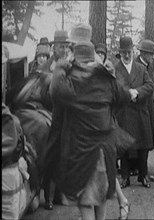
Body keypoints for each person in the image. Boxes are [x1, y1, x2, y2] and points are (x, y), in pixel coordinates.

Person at [49, 32, 133, 219]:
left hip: (82, 152)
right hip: (104, 150)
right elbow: (125, 96)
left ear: (75, 60)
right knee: (101, 195)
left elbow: (54, 90)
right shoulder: (106, 80)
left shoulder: (73, 82)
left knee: (86, 199)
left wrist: (63, 64)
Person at [95, 42, 131, 220]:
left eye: (102, 54)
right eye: (97, 53)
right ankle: (120, 202)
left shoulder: (108, 69)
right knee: (102, 168)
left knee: (107, 168)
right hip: (98, 125)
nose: (100, 56)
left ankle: (122, 202)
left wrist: (112, 76)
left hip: (107, 125)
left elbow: (119, 95)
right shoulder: (93, 69)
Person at [115, 36, 154, 189]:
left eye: (129, 51)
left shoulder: (141, 68)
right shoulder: (115, 69)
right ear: (119, 52)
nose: (126, 55)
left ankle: (143, 176)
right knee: (124, 147)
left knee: (143, 146)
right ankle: (125, 177)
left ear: (133, 51)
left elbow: (150, 86)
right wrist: (126, 93)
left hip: (140, 112)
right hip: (123, 113)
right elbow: (111, 88)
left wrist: (137, 92)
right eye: (123, 52)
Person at [40, 29, 70, 209]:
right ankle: (48, 197)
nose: (64, 50)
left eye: (66, 46)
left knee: (64, 155)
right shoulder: (47, 68)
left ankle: (59, 195)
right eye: (61, 46)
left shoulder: (68, 65)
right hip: (51, 117)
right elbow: (43, 94)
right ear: (54, 47)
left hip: (66, 116)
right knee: (51, 155)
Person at [134, 39, 154, 177]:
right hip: (140, 107)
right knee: (141, 137)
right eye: (151, 54)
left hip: (147, 106)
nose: (153, 57)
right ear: (144, 54)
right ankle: (138, 168)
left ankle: (140, 167)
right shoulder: (137, 66)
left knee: (145, 137)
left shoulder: (146, 66)